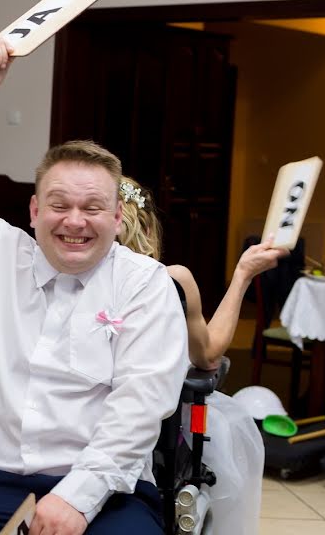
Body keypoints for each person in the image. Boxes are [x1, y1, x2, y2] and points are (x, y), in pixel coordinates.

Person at [0, 38, 189, 535]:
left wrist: (78, 497)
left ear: (117, 217)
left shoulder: (145, 284)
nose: (75, 221)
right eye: (58, 205)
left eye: (93, 208)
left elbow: (140, 404)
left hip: (107, 483)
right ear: (33, 211)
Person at [117, 175, 283, 535]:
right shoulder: (171, 279)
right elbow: (208, 356)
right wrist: (242, 275)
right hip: (153, 440)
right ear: (147, 228)